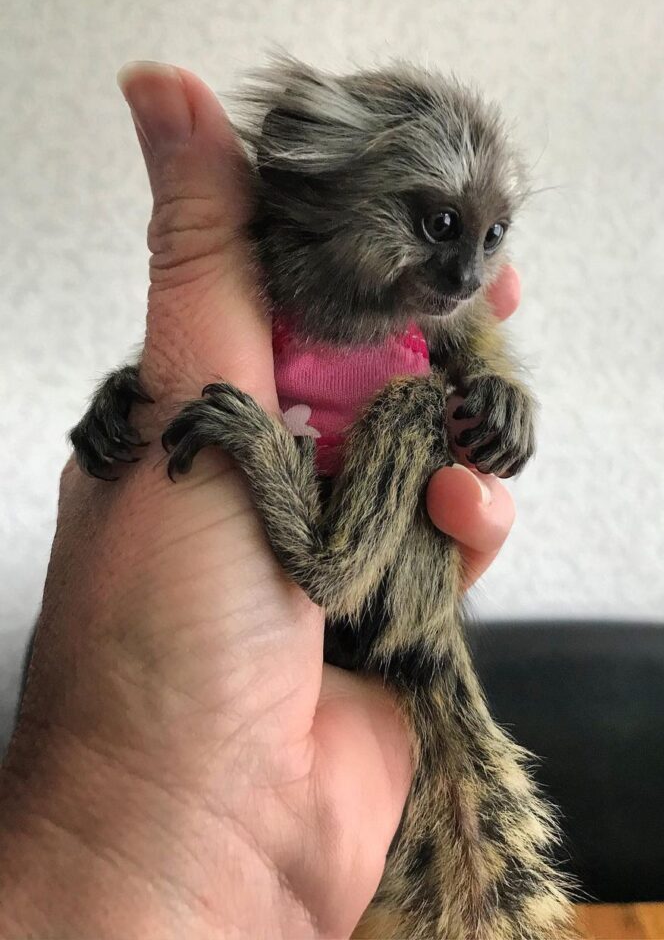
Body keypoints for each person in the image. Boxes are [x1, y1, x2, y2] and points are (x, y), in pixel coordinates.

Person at [0, 63, 521, 939]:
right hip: (281, 644)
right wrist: (124, 400)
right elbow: (182, 382)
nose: (468, 270)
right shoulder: (252, 281)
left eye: (492, 234)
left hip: (378, 563)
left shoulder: (444, 322)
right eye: (439, 225)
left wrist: (502, 408)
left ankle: (324, 554)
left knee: (420, 407)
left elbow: (491, 386)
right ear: (316, 175)